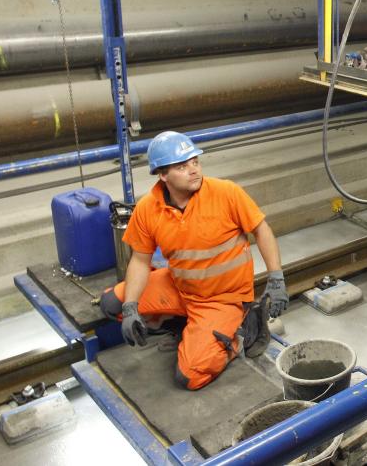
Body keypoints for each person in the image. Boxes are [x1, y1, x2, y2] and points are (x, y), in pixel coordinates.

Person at [99, 131, 288, 390]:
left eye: (195, 162)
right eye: (182, 166)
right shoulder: (148, 208)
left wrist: (276, 277)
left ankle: (241, 331)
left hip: (222, 299)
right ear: (163, 175)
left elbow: (261, 230)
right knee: (113, 304)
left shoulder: (226, 193)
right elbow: (140, 261)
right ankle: (183, 324)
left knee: (189, 377)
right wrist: (131, 308)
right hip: (180, 287)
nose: (194, 170)